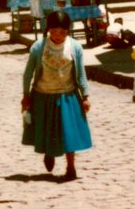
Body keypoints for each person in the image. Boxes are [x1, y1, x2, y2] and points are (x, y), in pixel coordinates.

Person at [21, 10, 92, 181]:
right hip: (42, 95)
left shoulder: (75, 47)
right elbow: (28, 73)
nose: (58, 36)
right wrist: (26, 95)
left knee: (69, 134)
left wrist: (85, 96)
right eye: (54, 31)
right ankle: (49, 153)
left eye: (62, 32)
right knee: (46, 129)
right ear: (48, 30)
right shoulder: (38, 48)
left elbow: (81, 73)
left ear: (68, 31)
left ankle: (71, 167)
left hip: (68, 95)